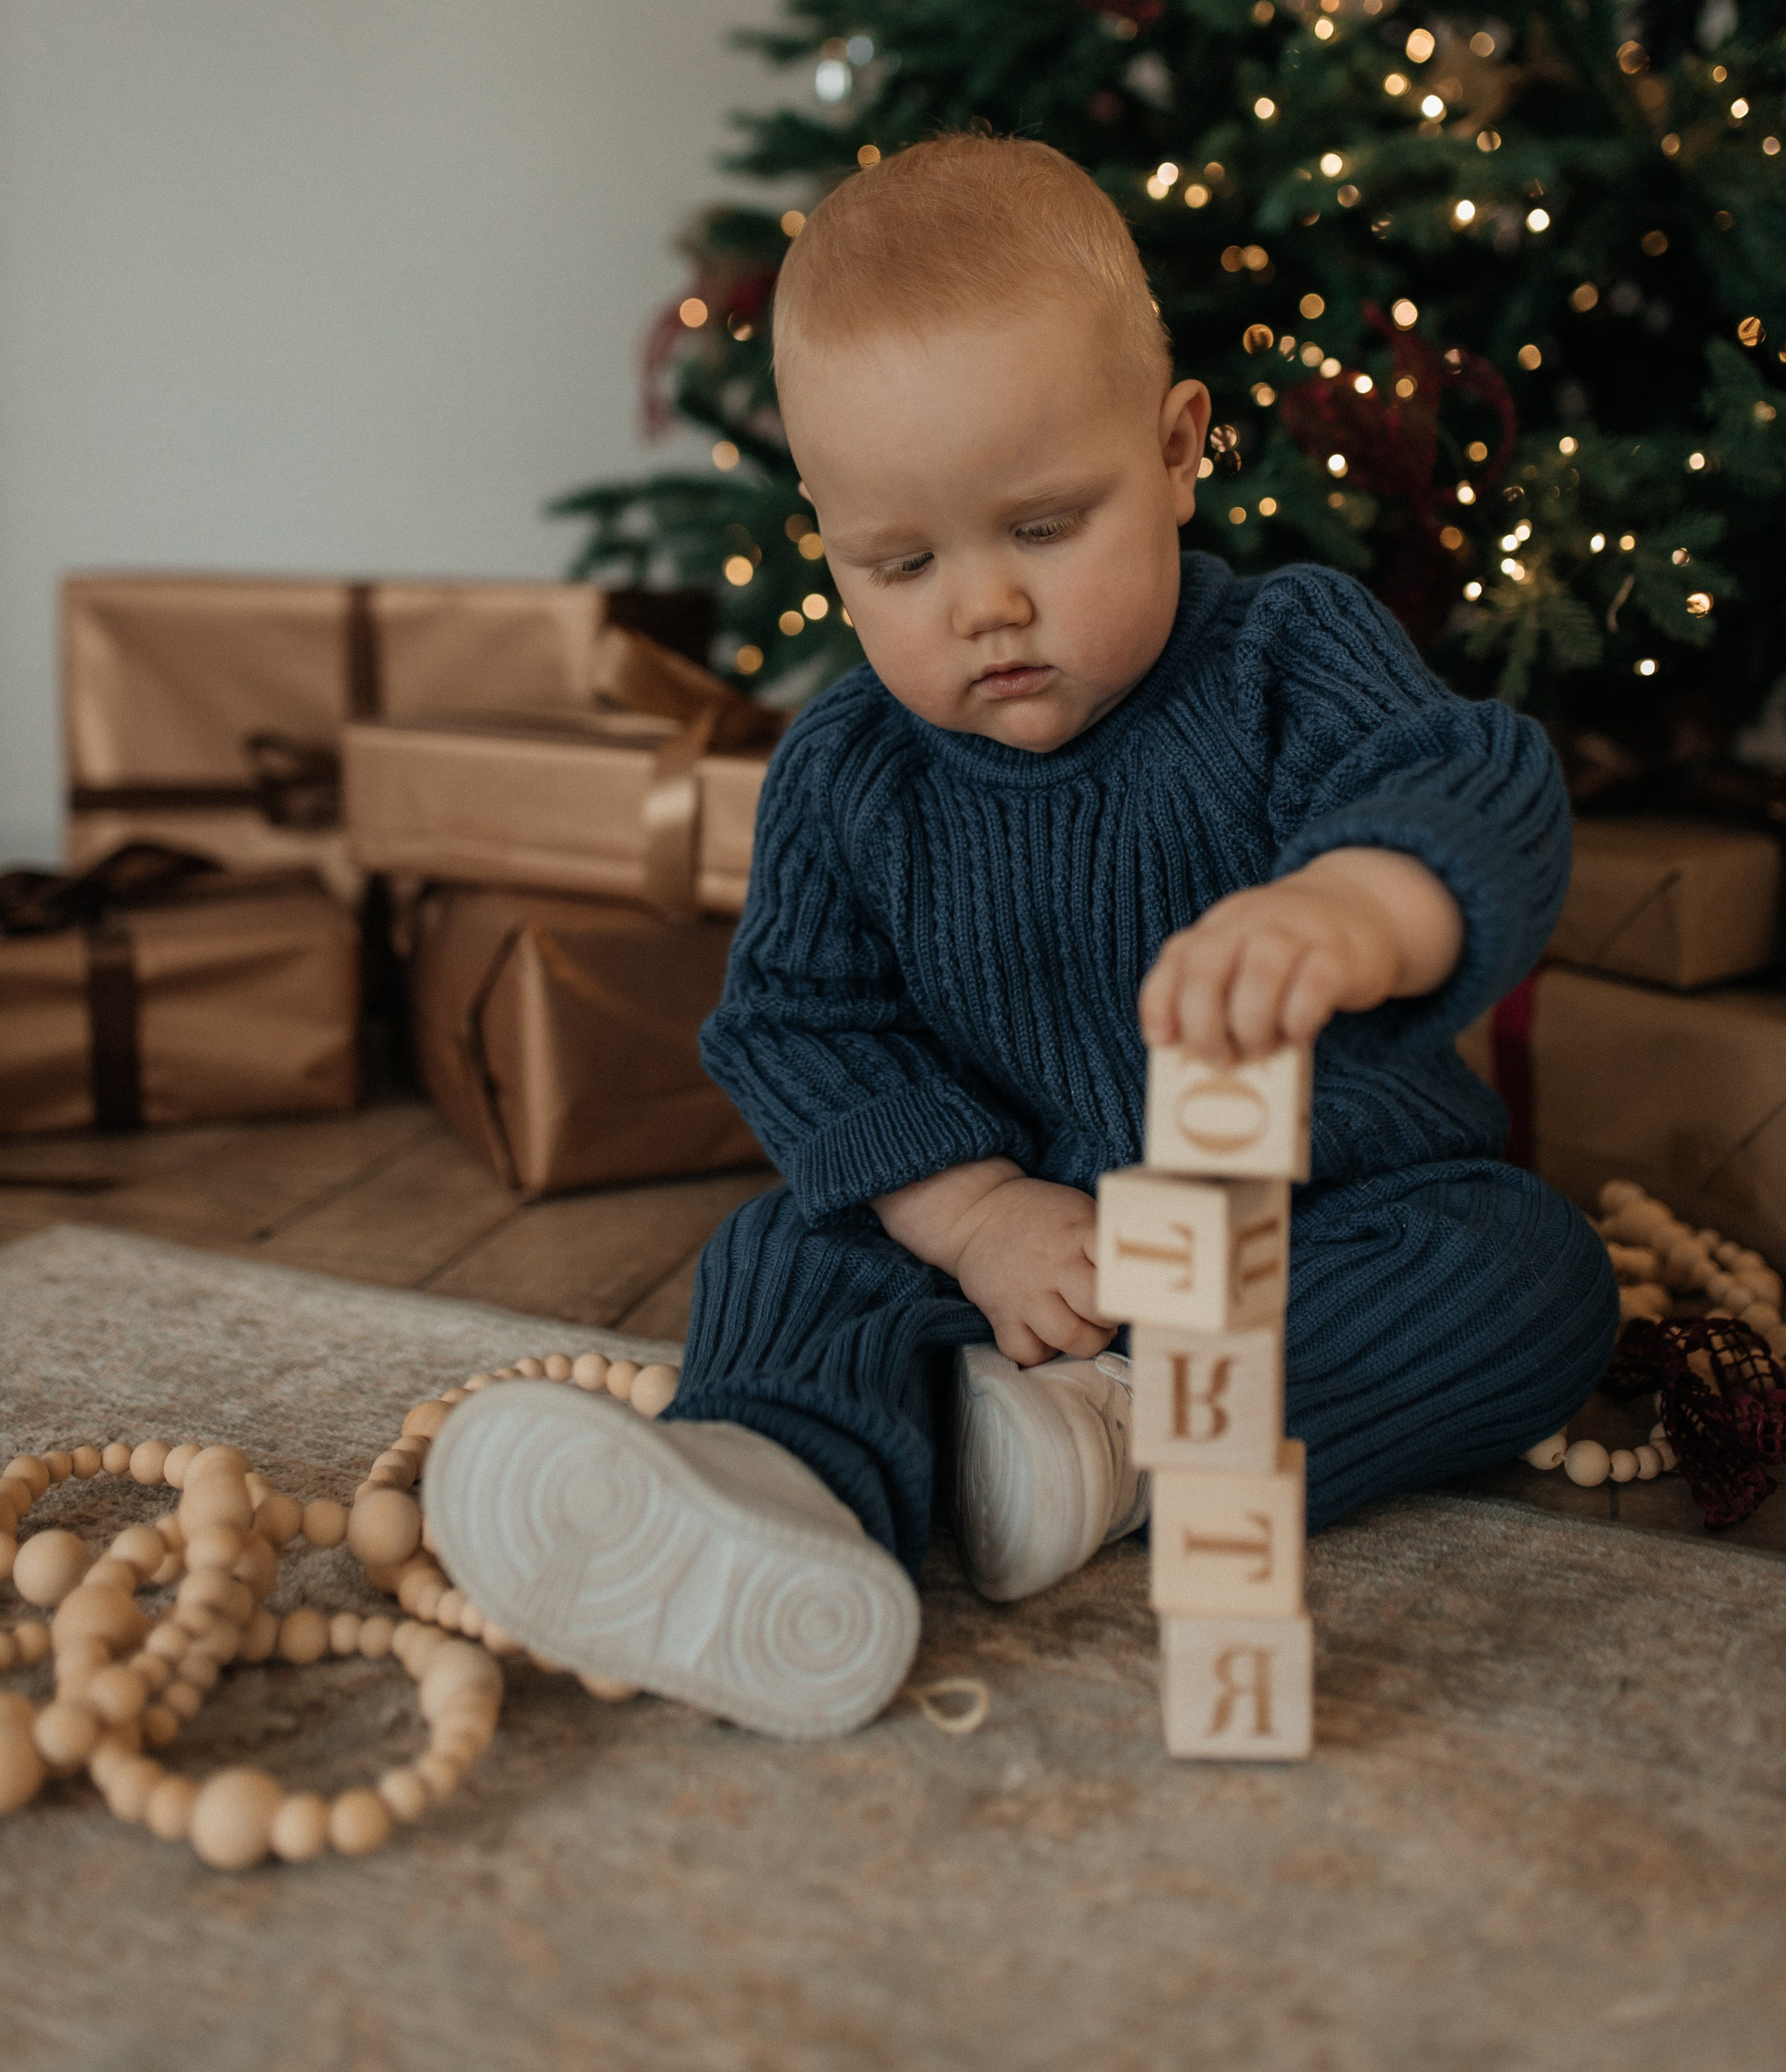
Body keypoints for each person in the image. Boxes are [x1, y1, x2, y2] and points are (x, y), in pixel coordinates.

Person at [424, 134, 1617, 1739]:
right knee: (790, 1251)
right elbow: (796, 1029)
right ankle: (764, 1494)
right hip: (999, 1257)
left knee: (1523, 1277)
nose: (981, 605)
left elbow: (1463, 778)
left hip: (1310, 1227)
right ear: (830, 546)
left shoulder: (1284, 653)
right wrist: (974, 1214)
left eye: (1044, 529)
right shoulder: (847, 771)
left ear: (1177, 448)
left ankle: (1108, 1445)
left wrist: (1357, 906)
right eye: (902, 563)